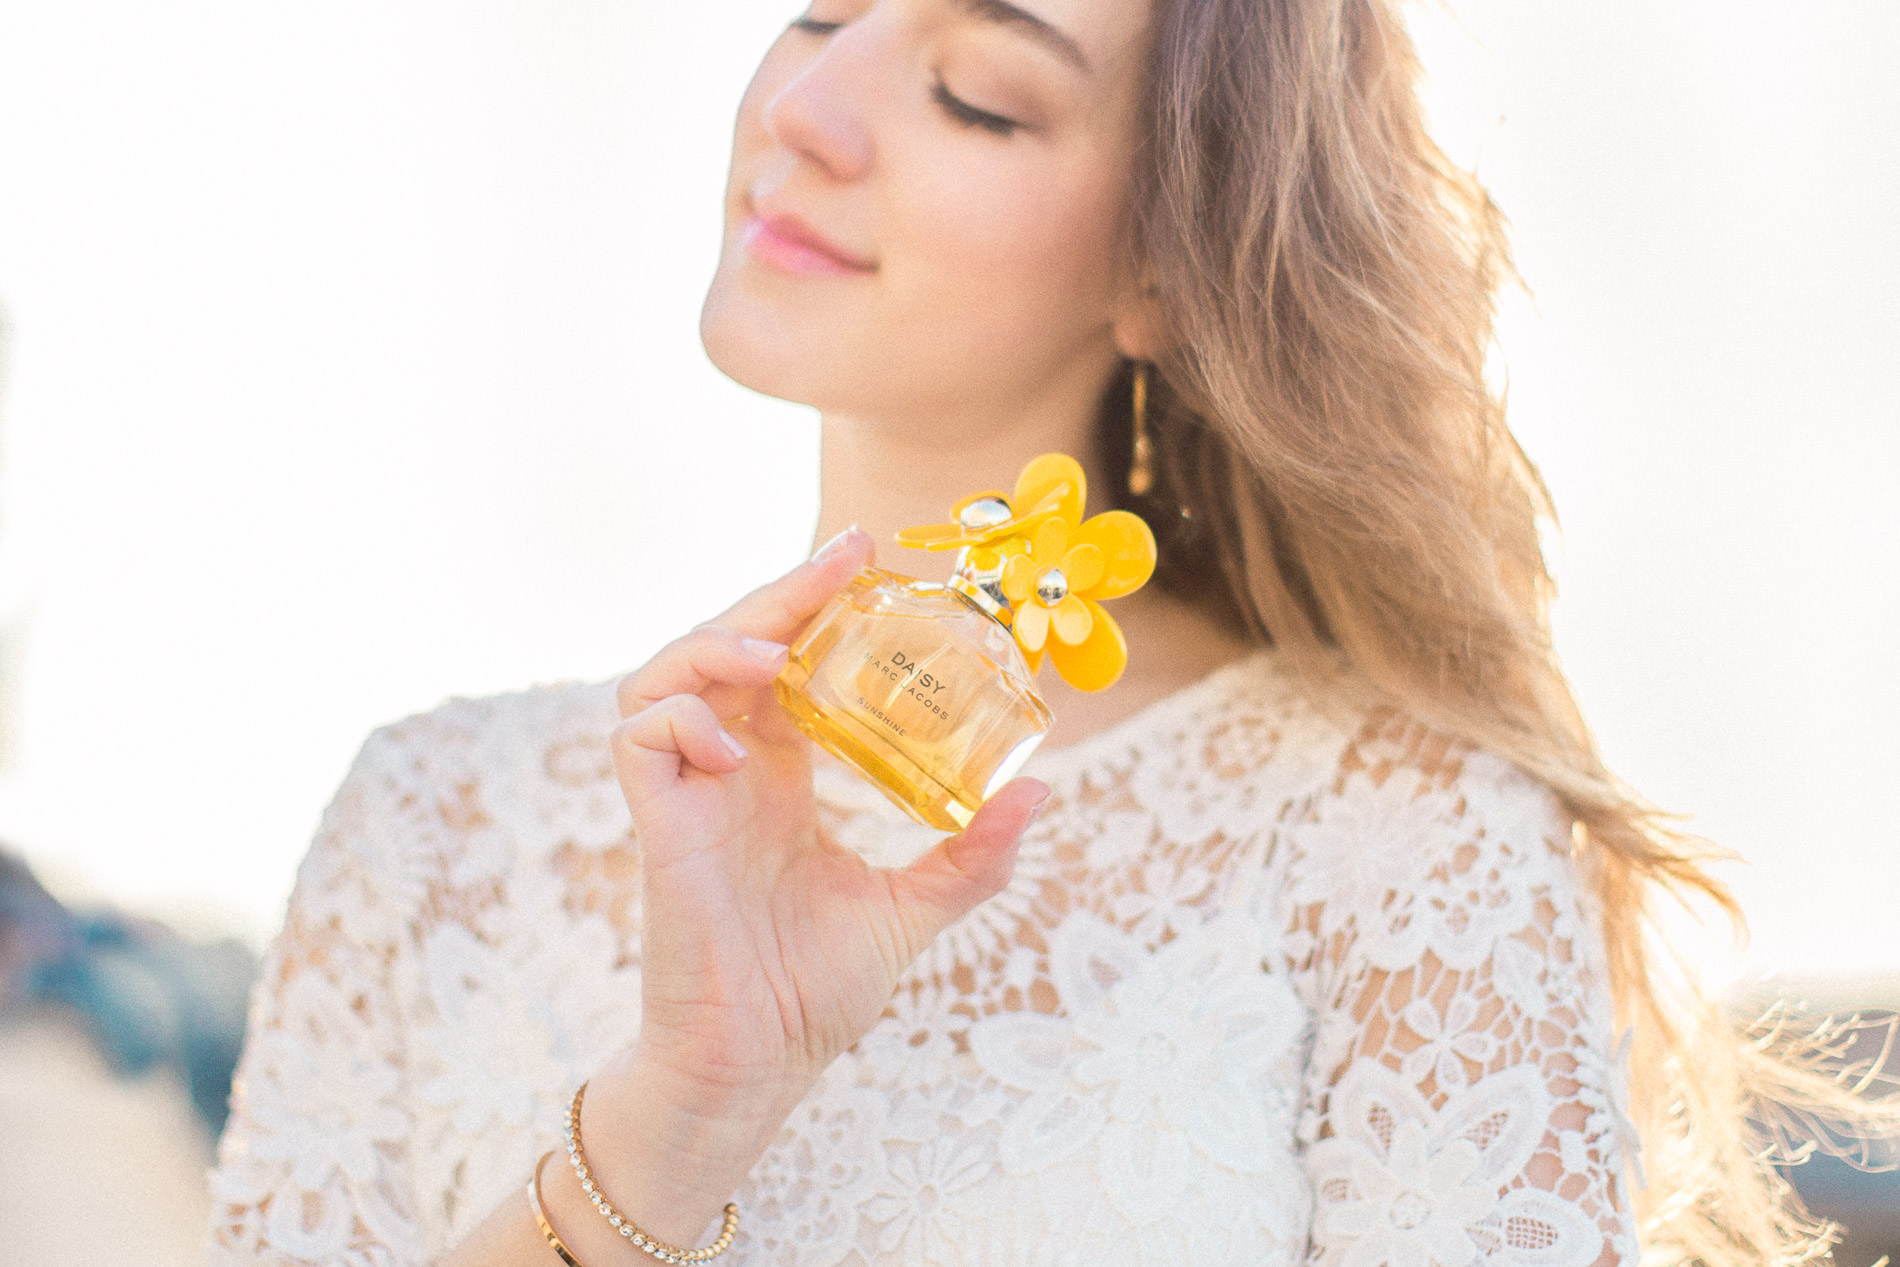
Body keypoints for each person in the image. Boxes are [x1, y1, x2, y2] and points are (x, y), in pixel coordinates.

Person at [206, 1, 1893, 1265]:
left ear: (1162, 263)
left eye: (977, 96)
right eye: (823, 12)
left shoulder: (1405, 836)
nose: (803, 108)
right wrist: (680, 1112)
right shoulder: (430, 826)